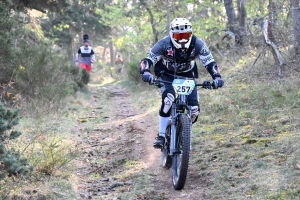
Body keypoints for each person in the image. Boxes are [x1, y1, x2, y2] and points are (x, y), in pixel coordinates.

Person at [139, 18, 224, 148]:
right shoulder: (163, 43)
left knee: (194, 111)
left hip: (188, 75)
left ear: (191, 34)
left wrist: (217, 77)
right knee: (168, 100)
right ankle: (162, 135)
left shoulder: (198, 44)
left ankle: (184, 132)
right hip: (167, 75)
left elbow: (210, 62)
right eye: (179, 36)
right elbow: (148, 60)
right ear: (172, 35)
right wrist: (145, 72)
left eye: (186, 36)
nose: (183, 40)